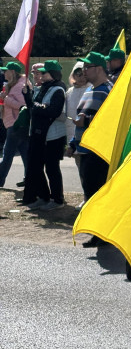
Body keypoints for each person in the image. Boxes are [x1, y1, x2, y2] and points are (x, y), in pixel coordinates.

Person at [69, 52, 112, 245]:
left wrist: (86, 121)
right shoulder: (88, 90)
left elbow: (111, 121)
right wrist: (72, 143)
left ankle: (103, 234)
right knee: (90, 192)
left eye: (88, 67)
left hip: (99, 151)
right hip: (84, 150)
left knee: (98, 192)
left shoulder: (109, 90)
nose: (84, 71)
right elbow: (80, 118)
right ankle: (97, 233)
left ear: (99, 68)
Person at [21, 60, 67, 210]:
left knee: (52, 168)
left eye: (44, 72)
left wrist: (36, 107)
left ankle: (57, 200)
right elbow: (33, 108)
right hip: (40, 134)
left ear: (52, 74)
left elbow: (53, 111)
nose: (40, 75)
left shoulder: (58, 90)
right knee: (36, 167)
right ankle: (44, 196)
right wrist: (28, 96)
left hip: (53, 136)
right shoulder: (44, 88)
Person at [65, 62, 90, 208]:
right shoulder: (69, 92)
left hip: (87, 136)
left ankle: (90, 198)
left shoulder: (90, 89)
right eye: (77, 73)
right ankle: (85, 196)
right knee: (80, 167)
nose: (80, 77)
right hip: (73, 136)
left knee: (89, 170)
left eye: (82, 73)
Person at [0, 61, 29, 188]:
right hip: (17, 125)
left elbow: (23, 106)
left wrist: (6, 98)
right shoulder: (15, 85)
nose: (3, 73)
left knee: (7, 155)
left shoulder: (20, 86)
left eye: (5, 70)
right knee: (25, 154)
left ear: (12, 72)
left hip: (16, 125)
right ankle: (30, 179)